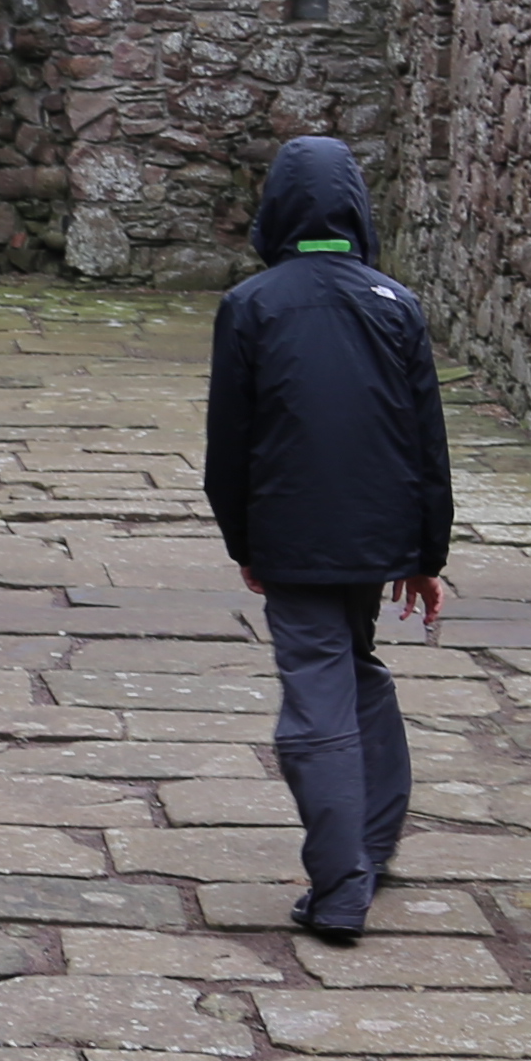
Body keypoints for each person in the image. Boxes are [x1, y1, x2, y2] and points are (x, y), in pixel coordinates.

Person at [203, 135, 455, 947]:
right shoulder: (396, 303)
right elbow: (426, 442)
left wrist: (244, 540)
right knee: (356, 669)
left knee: (317, 688)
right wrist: (426, 555)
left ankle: (342, 886)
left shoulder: (252, 305)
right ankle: (371, 846)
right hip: (378, 534)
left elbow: (229, 445)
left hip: (292, 529)